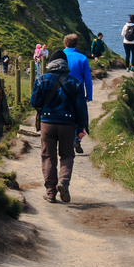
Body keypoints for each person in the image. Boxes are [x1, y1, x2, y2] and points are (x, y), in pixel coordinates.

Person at [31, 52, 89, 203]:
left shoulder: (41, 79)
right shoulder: (75, 82)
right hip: (68, 124)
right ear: (65, 64)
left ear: (50, 63)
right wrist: (82, 126)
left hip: (47, 123)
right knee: (67, 155)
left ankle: (50, 192)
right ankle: (63, 182)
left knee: (48, 156)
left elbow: (34, 102)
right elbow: (81, 108)